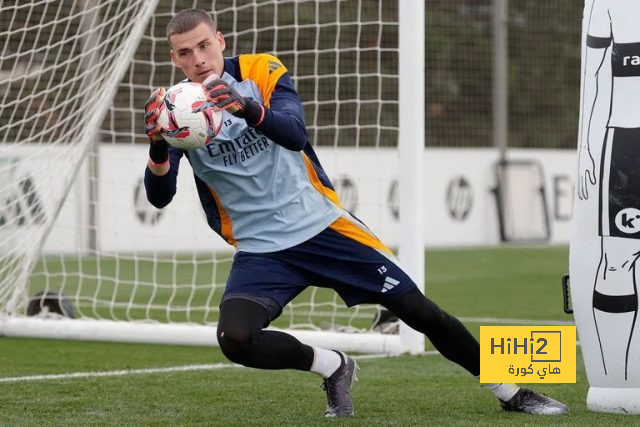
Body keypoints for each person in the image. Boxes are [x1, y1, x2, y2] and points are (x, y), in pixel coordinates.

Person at [144, 8, 568, 417]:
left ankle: (512, 391)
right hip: (262, 249)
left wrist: (245, 108)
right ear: (174, 58)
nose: (198, 60)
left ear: (220, 40)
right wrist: (159, 146)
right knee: (236, 339)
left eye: (204, 45)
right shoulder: (176, 108)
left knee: (421, 312)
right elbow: (160, 196)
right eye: (185, 52)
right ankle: (332, 365)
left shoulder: (260, 72)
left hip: (323, 227)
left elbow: (294, 134)